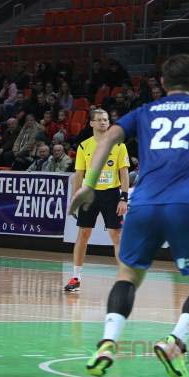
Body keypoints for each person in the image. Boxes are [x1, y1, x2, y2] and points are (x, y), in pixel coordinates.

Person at [69, 54, 189, 377]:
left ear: (162, 82)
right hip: (186, 205)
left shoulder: (145, 111)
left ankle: (107, 342)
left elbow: (109, 138)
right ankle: (175, 342)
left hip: (143, 205)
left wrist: (88, 184)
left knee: (128, 275)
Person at [64, 109, 130, 293]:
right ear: (91, 123)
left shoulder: (118, 145)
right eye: (99, 120)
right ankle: (76, 277)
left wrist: (124, 198)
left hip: (111, 194)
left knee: (116, 236)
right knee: (83, 234)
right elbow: (79, 174)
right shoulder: (84, 146)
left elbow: (124, 173)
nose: (103, 122)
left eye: (106, 120)